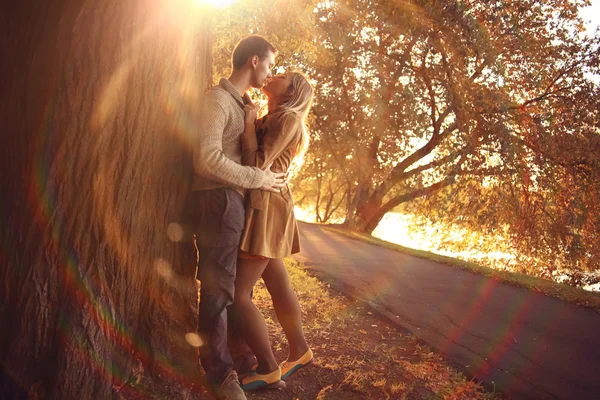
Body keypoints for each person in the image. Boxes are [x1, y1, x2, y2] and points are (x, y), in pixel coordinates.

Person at [182, 35, 285, 400]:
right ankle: (219, 377)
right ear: (253, 61)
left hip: (234, 203)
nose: (270, 72)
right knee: (218, 290)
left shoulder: (240, 105)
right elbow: (206, 159)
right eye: (269, 64)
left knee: (235, 288)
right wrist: (259, 178)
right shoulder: (216, 100)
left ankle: (242, 364)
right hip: (216, 203)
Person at [232, 72, 314, 391]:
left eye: (281, 75)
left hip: (266, 206)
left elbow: (256, 167)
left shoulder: (287, 119)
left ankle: (267, 368)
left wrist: (250, 125)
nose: (274, 75)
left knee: (237, 295)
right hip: (269, 204)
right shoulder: (276, 116)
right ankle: (300, 350)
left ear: (291, 91)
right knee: (278, 282)